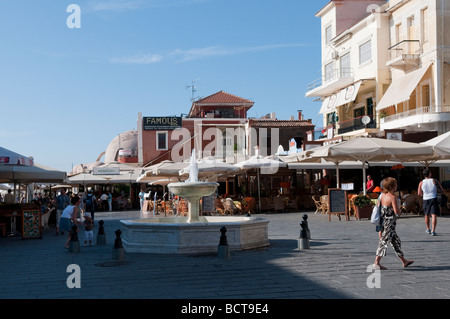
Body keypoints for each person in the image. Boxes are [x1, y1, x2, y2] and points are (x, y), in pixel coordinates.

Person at [373, 177, 414, 270]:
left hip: (384, 222)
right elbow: (397, 212)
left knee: (396, 242)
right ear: (392, 186)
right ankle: (376, 262)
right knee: (383, 242)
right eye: (395, 184)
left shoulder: (383, 195)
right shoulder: (392, 197)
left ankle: (404, 261)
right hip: (390, 223)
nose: (397, 186)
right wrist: (402, 208)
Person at [418, 168, 443, 236]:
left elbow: (419, 193)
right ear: (430, 174)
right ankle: (433, 230)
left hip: (425, 199)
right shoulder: (434, 180)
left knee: (426, 215)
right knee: (434, 215)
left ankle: (428, 229)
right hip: (433, 198)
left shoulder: (421, 182)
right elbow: (441, 189)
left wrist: (425, 194)